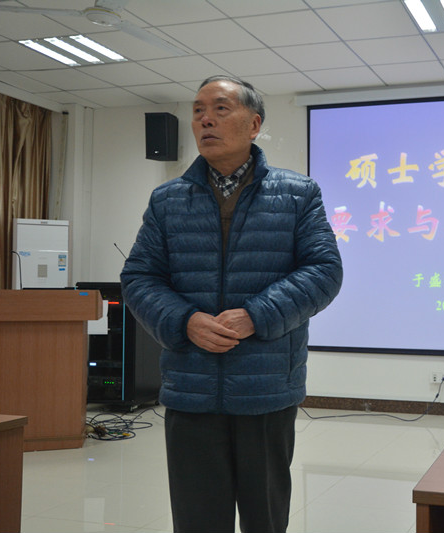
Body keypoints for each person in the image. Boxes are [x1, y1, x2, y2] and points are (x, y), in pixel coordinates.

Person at [121, 75, 342, 533]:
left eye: (220, 109)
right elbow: (139, 277)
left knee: (265, 517)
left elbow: (324, 271)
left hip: (266, 388)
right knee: (197, 519)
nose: (205, 120)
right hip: (191, 387)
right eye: (198, 111)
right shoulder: (167, 200)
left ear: (254, 124)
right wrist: (184, 320)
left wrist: (256, 315)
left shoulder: (298, 193)